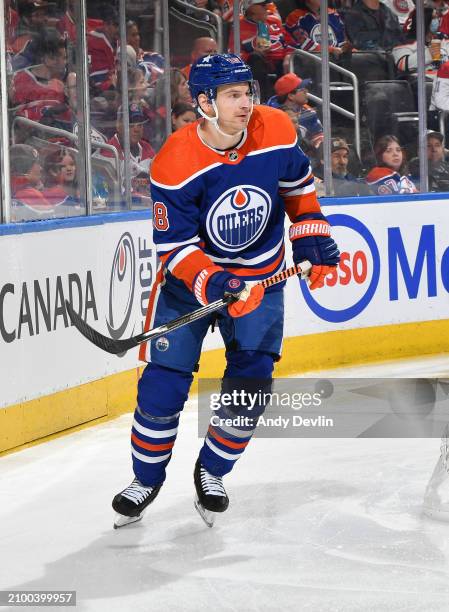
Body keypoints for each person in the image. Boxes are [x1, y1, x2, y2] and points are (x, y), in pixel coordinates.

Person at [111, 53, 340, 528]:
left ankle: (212, 471)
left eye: (248, 92)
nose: (245, 103)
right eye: (233, 95)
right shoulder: (175, 162)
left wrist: (313, 238)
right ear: (203, 102)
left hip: (262, 277)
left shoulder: (275, 128)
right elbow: (175, 248)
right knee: (162, 384)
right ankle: (145, 479)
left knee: (251, 384)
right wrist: (220, 282)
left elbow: (297, 187)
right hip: (188, 289)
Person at [228, 0, 291, 101]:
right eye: (262, 5)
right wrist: (255, 50)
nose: (266, 6)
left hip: (282, 62)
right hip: (259, 65)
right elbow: (233, 55)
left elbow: (290, 42)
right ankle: (262, 102)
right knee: (256, 58)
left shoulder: (274, 20)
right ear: (250, 7)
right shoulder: (238, 26)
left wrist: (288, 56)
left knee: (298, 60)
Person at [267, 73, 324, 149]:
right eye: (302, 89)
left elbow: (319, 137)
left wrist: (318, 145)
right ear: (291, 96)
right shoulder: (270, 114)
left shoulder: (309, 112)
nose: (306, 91)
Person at [284, 0, 350, 59]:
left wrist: (347, 48)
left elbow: (342, 41)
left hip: (337, 61)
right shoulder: (295, 17)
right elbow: (306, 45)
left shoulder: (334, 14)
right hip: (310, 63)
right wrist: (332, 50)